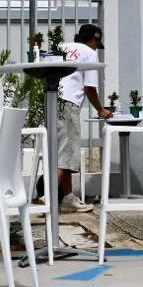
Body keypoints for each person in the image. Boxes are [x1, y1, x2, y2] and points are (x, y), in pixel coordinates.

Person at [56, 22, 112, 213]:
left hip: (50, 101)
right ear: (93, 39)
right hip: (68, 105)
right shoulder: (89, 53)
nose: (97, 47)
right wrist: (101, 110)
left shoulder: (62, 47)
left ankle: (68, 199)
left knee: (60, 152)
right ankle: (47, 195)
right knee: (67, 155)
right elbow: (90, 88)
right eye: (97, 43)